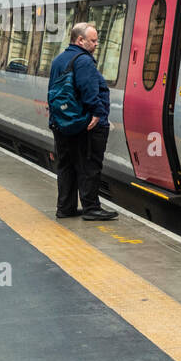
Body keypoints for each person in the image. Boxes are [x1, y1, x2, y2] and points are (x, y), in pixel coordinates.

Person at [48, 22, 116, 221]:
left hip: (61, 122)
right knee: (89, 165)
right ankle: (91, 208)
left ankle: (66, 208)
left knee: (66, 165)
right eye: (93, 40)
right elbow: (89, 90)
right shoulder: (84, 60)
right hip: (84, 123)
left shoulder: (59, 59)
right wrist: (97, 112)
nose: (96, 44)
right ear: (80, 40)